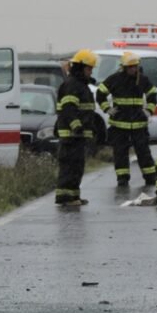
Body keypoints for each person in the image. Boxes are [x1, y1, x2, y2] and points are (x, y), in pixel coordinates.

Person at [96, 51, 157, 187]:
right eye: (130, 67)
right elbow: (100, 93)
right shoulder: (115, 79)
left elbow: (152, 94)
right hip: (119, 125)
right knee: (120, 153)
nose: (133, 69)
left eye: (135, 66)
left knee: (144, 152)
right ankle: (122, 178)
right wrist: (107, 109)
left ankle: (150, 177)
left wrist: (149, 110)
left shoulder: (142, 79)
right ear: (124, 67)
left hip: (138, 124)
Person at [54, 49, 100, 206]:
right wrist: (77, 126)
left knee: (77, 167)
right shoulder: (72, 85)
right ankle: (64, 197)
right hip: (71, 136)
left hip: (78, 136)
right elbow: (68, 108)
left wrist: (91, 129)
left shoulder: (80, 85)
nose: (90, 72)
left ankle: (73, 196)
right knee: (69, 167)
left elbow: (85, 110)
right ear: (80, 68)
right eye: (88, 68)